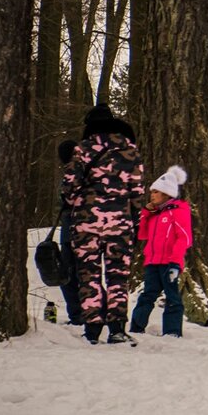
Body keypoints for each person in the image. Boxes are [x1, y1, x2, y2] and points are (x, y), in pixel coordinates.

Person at [59, 103, 144, 345]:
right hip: (120, 223)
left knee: (89, 275)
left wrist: (77, 203)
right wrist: (134, 221)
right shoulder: (130, 152)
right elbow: (137, 192)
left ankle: (92, 328)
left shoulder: (82, 149)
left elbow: (68, 188)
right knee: (118, 275)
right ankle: (117, 328)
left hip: (86, 223)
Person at [130, 166, 192, 337]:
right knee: (147, 295)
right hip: (152, 262)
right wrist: (146, 213)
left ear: (166, 193)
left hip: (169, 262)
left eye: (156, 192)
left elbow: (184, 238)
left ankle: (172, 332)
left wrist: (175, 262)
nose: (152, 195)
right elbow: (142, 235)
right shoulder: (155, 214)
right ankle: (136, 327)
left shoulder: (179, 212)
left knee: (172, 297)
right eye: (152, 192)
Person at [56, 140, 83, 325]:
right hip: (85, 229)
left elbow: (68, 196)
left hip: (72, 229)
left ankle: (78, 314)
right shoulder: (88, 169)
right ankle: (93, 313)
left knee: (68, 273)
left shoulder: (73, 170)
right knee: (85, 273)